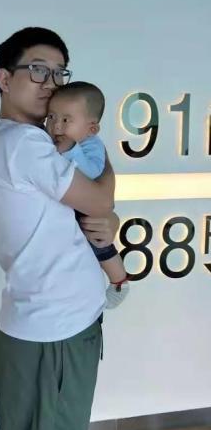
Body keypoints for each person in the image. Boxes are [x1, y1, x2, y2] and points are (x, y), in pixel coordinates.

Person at [0, 27, 119, 430]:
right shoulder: (25, 143)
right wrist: (104, 167)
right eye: (37, 69)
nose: (51, 82)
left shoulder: (21, 141)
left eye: (59, 72)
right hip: (54, 334)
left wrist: (103, 216)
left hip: (41, 327)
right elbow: (98, 199)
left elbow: (85, 215)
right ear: (4, 78)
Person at [46, 81, 129, 309]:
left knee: (100, 245)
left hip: (87, 210)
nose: (56, 126)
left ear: (91, 129)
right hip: (69, 209)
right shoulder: (49, 141)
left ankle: (119, 281)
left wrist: (70, 150)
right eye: (51, 117)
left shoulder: (92, 145)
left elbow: (93, 171)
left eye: (66, 120)